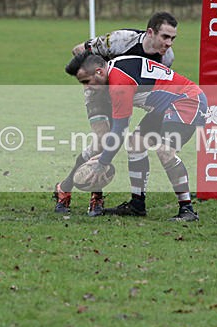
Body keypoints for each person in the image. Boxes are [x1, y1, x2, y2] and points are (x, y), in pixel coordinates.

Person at [53, 12, 178, 216]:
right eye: (165, 37)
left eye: (172, 38)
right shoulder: (121, 40)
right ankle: (80, 192)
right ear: (151, 32)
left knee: (117, 141)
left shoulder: (167, 57)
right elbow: (78, 50)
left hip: (123, 95)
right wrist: (95, 81)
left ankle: (71, 188)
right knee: (102, 140)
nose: (169, 43)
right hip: (98, 91)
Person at [65, 52, 206, 221]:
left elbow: (119, 130)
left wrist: (103, 163)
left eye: (87, 82)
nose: (86, 88)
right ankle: (137, 204)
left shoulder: (119, 85)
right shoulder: (115, 68)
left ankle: (187, 209)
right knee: (135, 144)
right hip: (164, 106)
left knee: (165, 151)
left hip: (188, 101)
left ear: (99, 72)